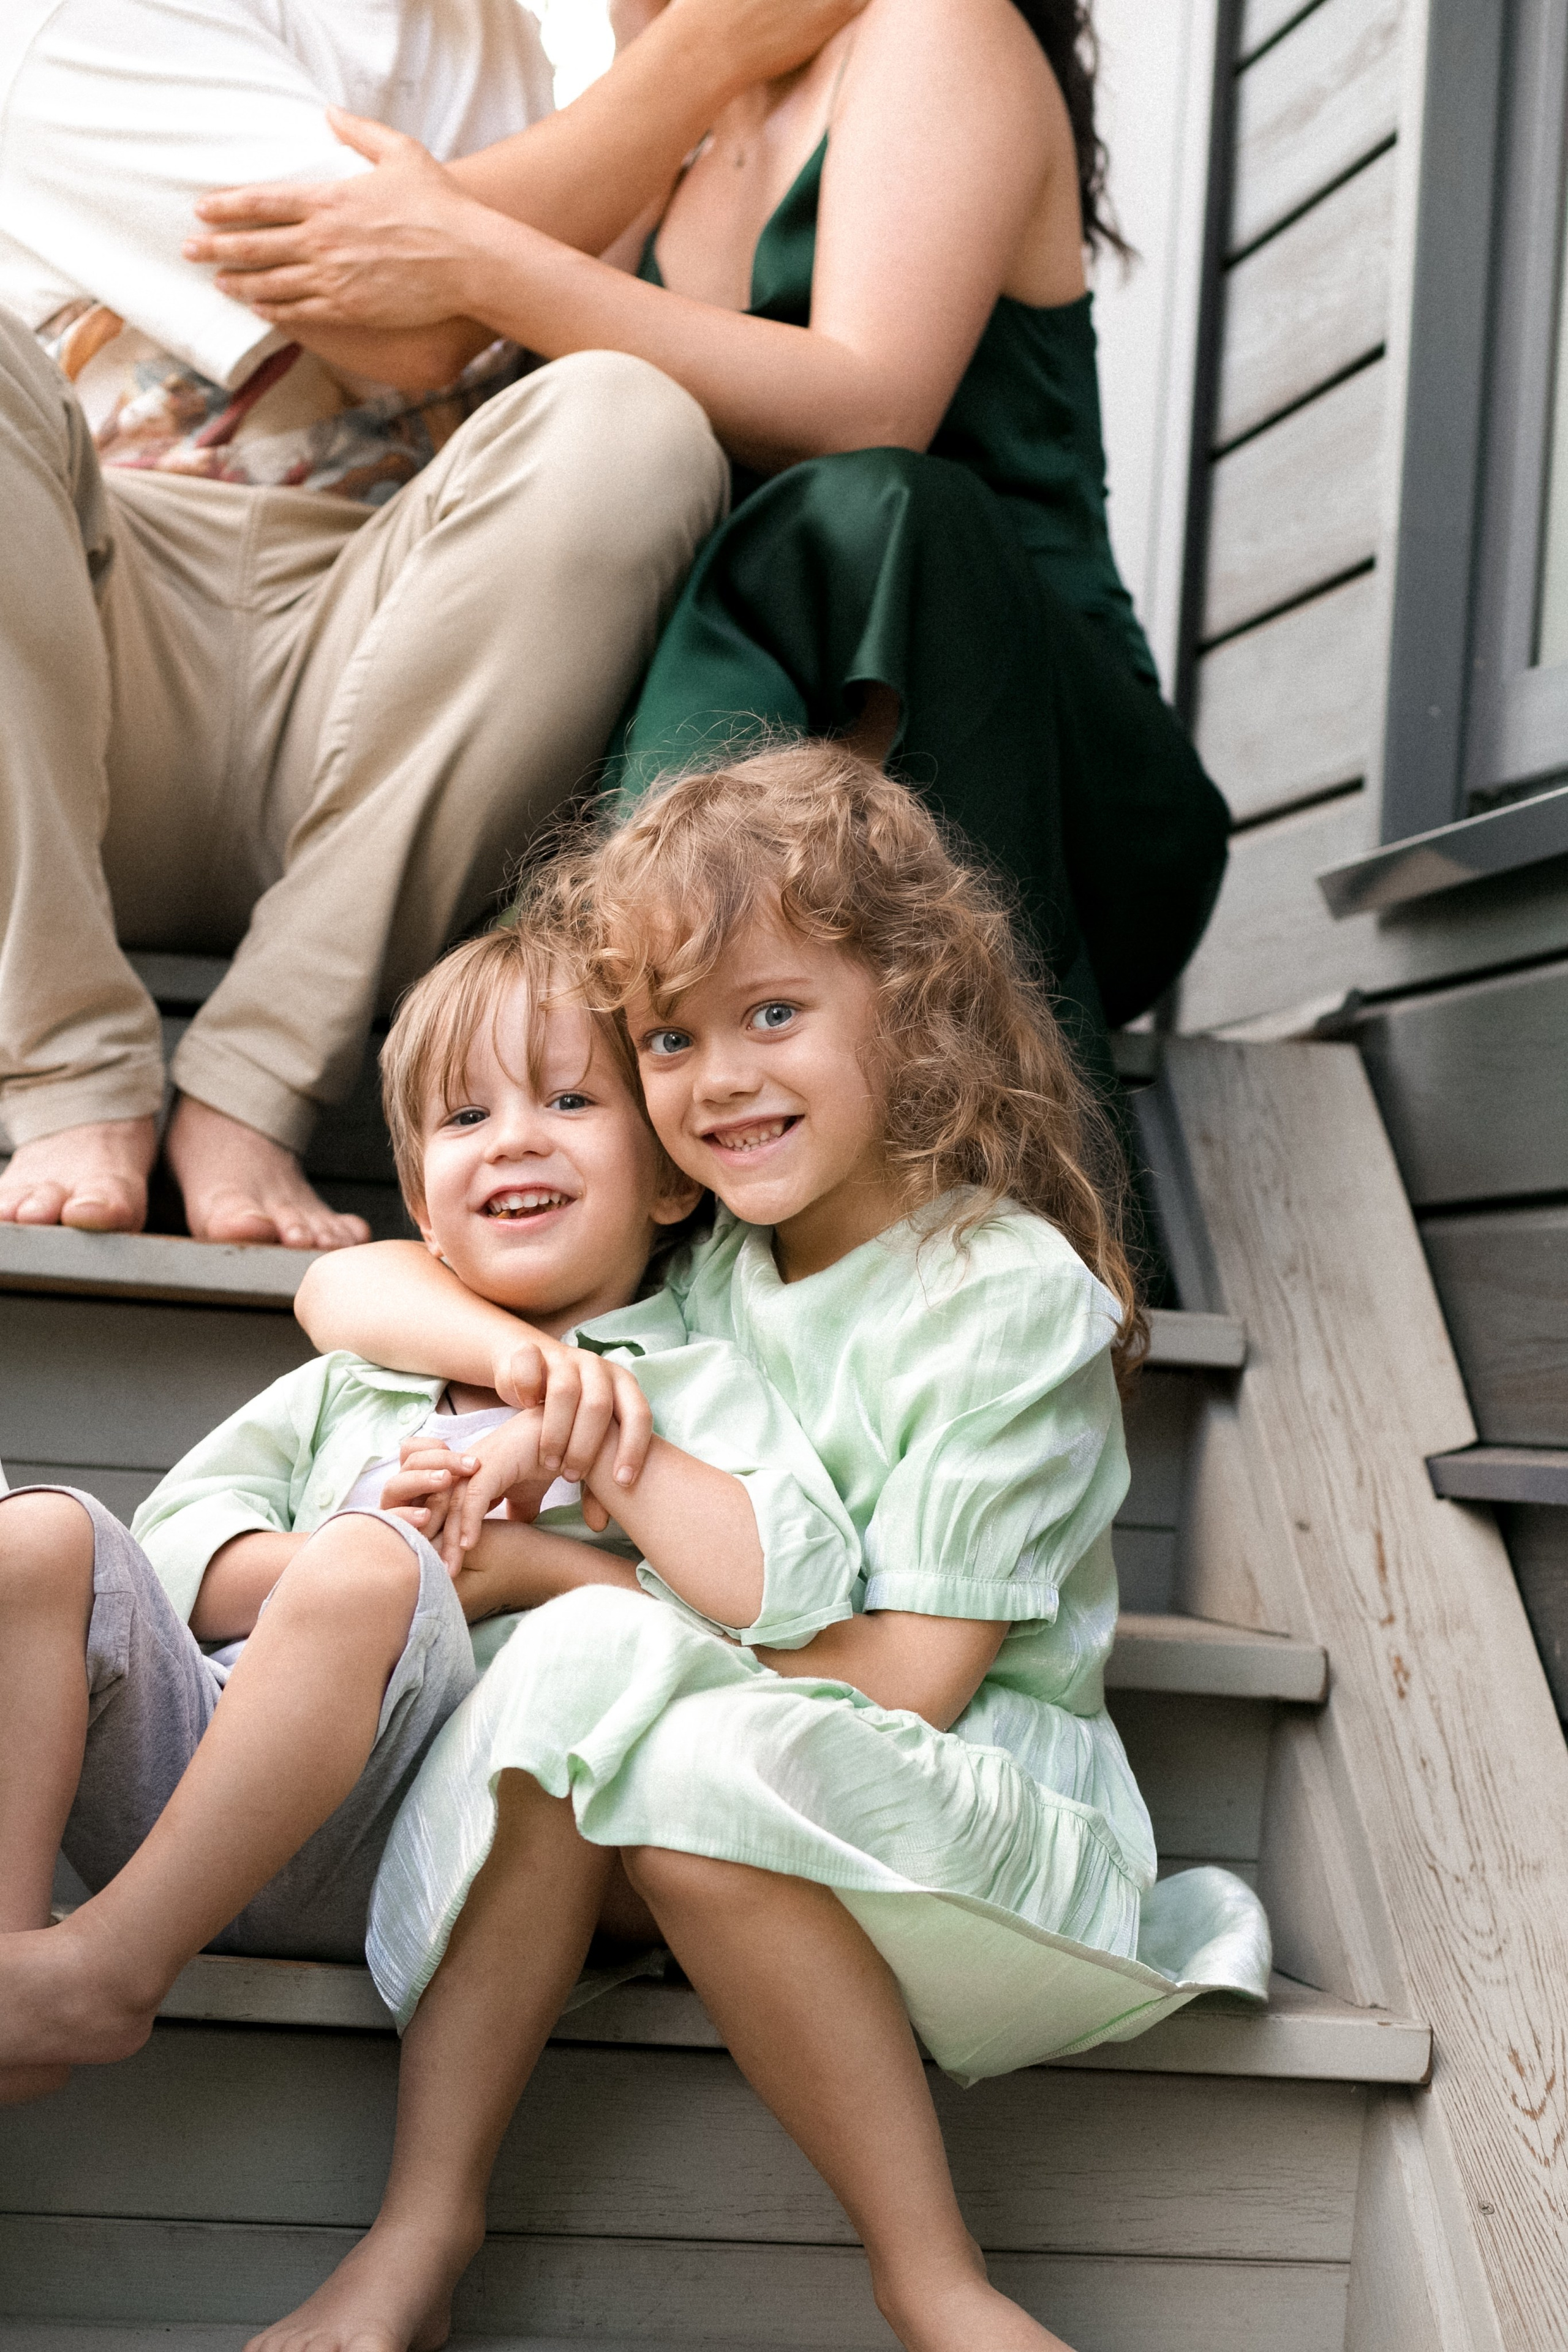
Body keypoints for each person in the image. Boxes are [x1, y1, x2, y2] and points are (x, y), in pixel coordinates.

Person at [274, 747, 1270, 2352]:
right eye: (669, 1037)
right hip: (724, 1786)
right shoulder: (712, 1267)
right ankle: (422, 2221)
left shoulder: (998, 1299)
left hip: (978, 1818)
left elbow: (912, 1685)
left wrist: (554, 1573)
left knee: (650, 1740)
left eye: (773, 1014)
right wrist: (534, 1397)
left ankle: (933, 2284)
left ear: (912, 1003)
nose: (719, 1077)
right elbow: (342, 1292)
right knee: (628, 1746)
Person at [186, 0, 1230, 1094]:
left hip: (1028, 776)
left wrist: (481, 259)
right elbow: (423, 309)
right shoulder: (673, 101)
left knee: (870, 506)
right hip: (736, 766)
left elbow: (868, 405)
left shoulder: (938, 25)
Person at [0, 0, 865, 1248]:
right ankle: (64, 1067)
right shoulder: (79, 19)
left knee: (629, 415)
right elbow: (405, 325)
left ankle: (256, 1082)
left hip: (389, 679)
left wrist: (643, 65)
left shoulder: (512, 57)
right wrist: (706, 49)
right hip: (98, 672)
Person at [0, 908, 867, 2116]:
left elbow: (780, 1607)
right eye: (466, 1117)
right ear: (419, 1191)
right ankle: (16, 1975)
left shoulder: (687, 1385)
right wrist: (330, 1554)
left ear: (672, 1174)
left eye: (568, 1102)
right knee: (37, 1537)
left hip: (425, 1830)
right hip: (200, 1784)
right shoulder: (359, 1378)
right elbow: (176, 1556)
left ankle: (109, 1966)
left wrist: (519, 1545)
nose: (513, 1142)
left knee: (367, 1568)